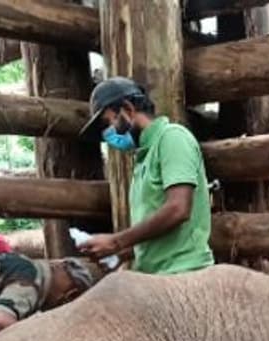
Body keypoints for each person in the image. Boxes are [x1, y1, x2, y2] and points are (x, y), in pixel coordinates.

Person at [76, 77, 215, 275]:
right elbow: (157, 228)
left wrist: (116, 242)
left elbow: (178, 209)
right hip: (154, 275)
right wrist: (122, 254)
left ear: (128, 109)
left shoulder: (172, 138)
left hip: (184, 272)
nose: (109, 133)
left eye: (109, 122)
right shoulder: (142, 158)